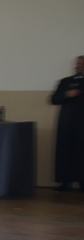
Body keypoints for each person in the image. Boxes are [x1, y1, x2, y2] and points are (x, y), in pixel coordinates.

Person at [50, 56, 84, 191]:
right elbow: (53, 99)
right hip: (66, 123)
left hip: (82, 124)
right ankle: (65, 182)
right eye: (77, 64)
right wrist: (67, 95)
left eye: (81, 64)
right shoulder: (65, 82)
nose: (78, 66)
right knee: (65, 151)